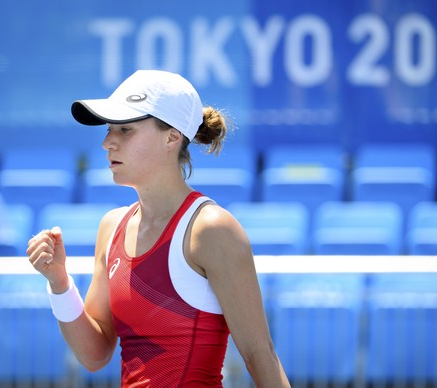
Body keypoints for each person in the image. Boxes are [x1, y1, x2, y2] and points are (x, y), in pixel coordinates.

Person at [26, 70, 290, 387]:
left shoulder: (212, 229)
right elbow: (94, 355)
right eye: (110, 129)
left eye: (125, 130)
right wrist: (59, 283)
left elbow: (260, 355)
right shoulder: (111, 227)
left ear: (172, 137)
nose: (107, 142)